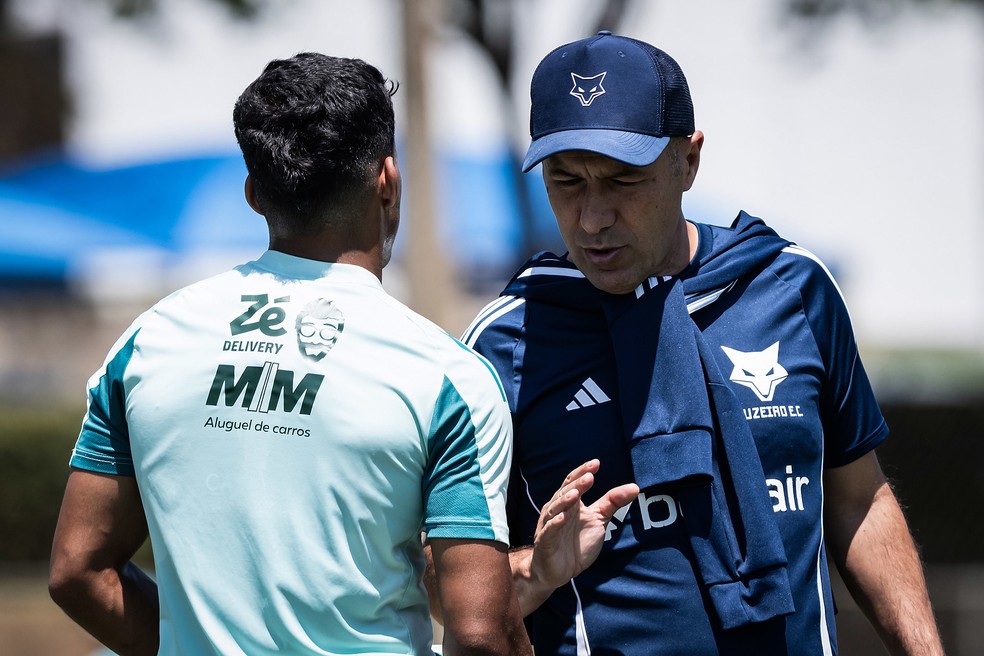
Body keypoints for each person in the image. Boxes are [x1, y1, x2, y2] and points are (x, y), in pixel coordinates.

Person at [456, 31, 944, 655]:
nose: (592, 218)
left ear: (688, 161)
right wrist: (537, 570)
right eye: (567, 181)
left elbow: (858, 501)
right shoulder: (506, 339)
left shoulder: (792, 286)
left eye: (623, 181)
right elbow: (450, 595)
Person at [48, 52, 533, 656]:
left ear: (253, 192)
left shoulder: (148, 342)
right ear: (388, 178)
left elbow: (77, 571)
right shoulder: (447, 378)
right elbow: (483, 633)